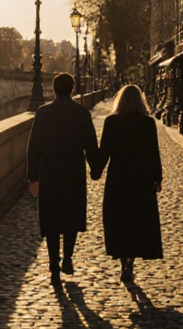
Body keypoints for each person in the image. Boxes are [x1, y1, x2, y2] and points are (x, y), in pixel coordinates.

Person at [27, 72, 98, 285]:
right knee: (71, 217)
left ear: (54, 89)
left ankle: (53, 262)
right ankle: (67, 258)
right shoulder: (82, 113)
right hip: (73, 173)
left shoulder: (43, 113)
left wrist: (33, 178)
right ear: (72, 89)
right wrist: (95, 168)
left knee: (51, 219)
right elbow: (90, 145)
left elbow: (34, 148)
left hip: (50, 172)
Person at [91, 85, 164, 286]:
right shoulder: (147, 123)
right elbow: (153, 153)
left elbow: (105, 151)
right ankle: (130, 260)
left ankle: (124, 261)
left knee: (119, 219)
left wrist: (96, 170)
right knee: (136, 220)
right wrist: (157, 178)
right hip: (141, 179)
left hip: (118, 178)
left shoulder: (112, 122)